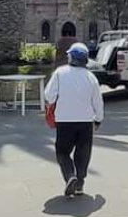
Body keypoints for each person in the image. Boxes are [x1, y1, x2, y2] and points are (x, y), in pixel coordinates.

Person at [44, 43, 104, 197]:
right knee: (83, 152)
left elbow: (49, 95)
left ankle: (70, 175)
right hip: (85, 121)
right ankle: (80, 183)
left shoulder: (60, 73)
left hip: (64, 120)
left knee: (62, 151)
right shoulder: (91, 77)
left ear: (71, 57)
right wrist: (98, 119)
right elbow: (98, 102)